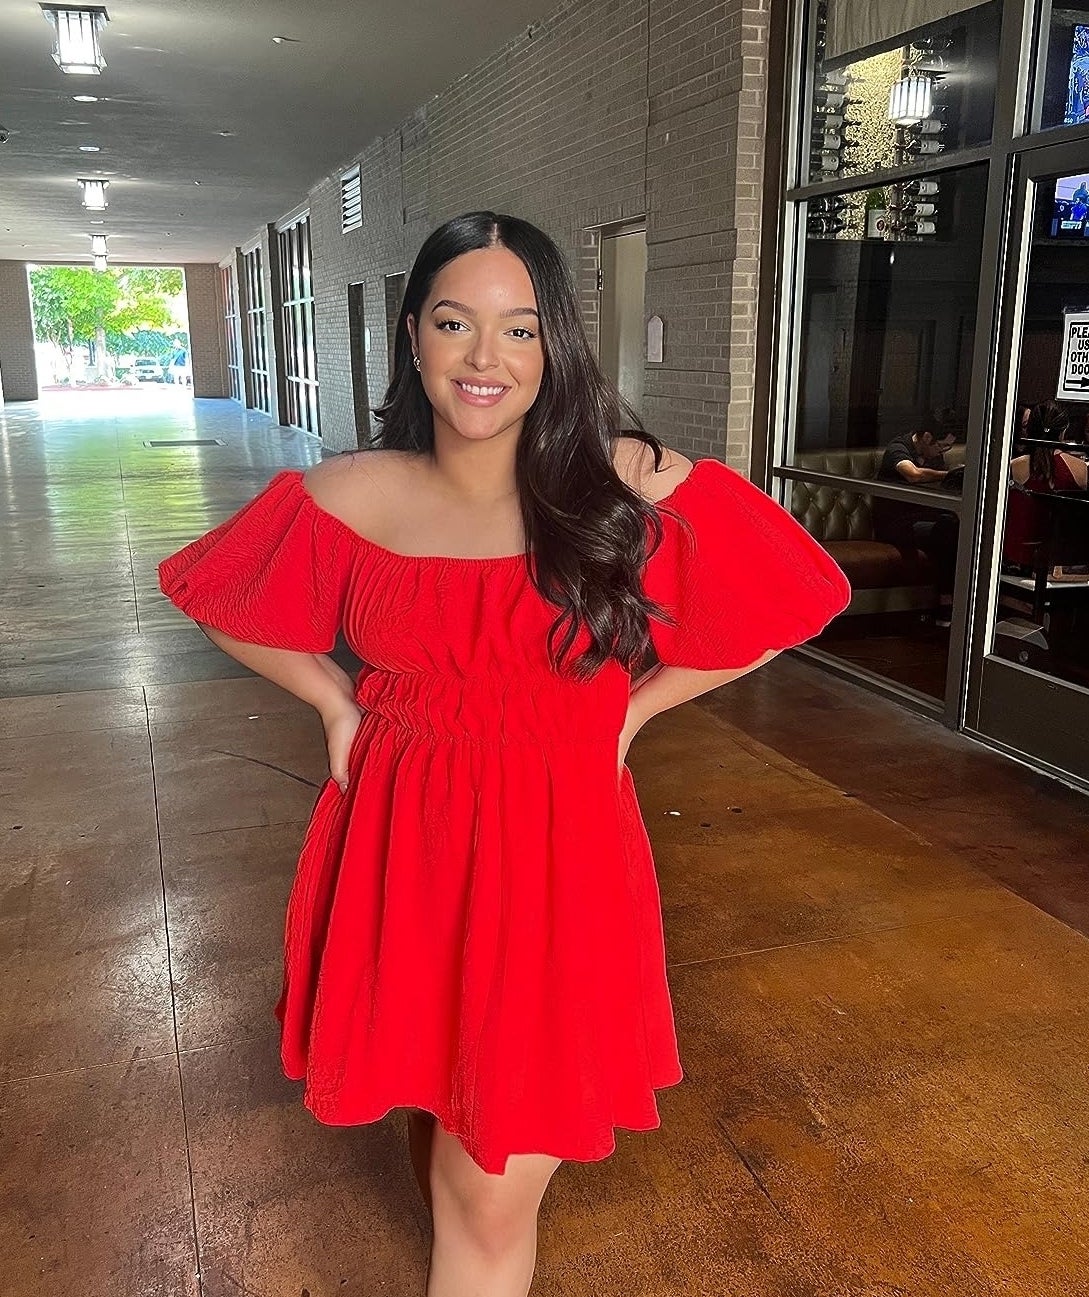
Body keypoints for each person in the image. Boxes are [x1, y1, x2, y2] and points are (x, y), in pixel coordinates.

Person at [158, 211, 850, 1297]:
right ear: (414, 335)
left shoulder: (620, 481)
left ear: (555, 344)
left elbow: (793, 595)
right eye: (456, 323)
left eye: (520, 330)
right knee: (450, 1121)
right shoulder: (353, 491)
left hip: (554, 857)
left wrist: (635, 711)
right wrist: (335, 701)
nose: (486, 359)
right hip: (405, 847)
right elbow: (218, 595)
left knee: (490, 1177)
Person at [872, 411, 961, 615]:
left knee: (956, 528)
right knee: (948, 531)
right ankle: (946, 603)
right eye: (940, 446)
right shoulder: (899, 448)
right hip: (895, 523)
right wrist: (952, 475)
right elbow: (913, 474)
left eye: (947, 448)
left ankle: (954, 602)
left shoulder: (936, 459)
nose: (942, 452)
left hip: (924, 518)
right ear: (927, 437)